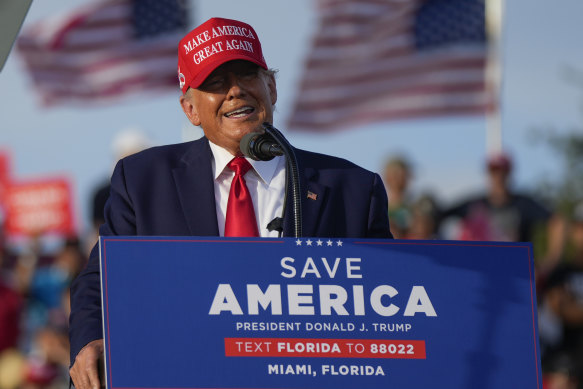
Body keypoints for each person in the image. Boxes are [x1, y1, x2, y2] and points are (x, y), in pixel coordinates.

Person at [68, 17, 392, 389]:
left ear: (270, 87)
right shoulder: (142, 179)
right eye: (216, 84)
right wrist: (92, 341)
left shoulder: (353, 188)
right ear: (190, 109)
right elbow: (101, 280)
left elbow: (383, 297)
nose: (235, 91)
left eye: (246, 76)